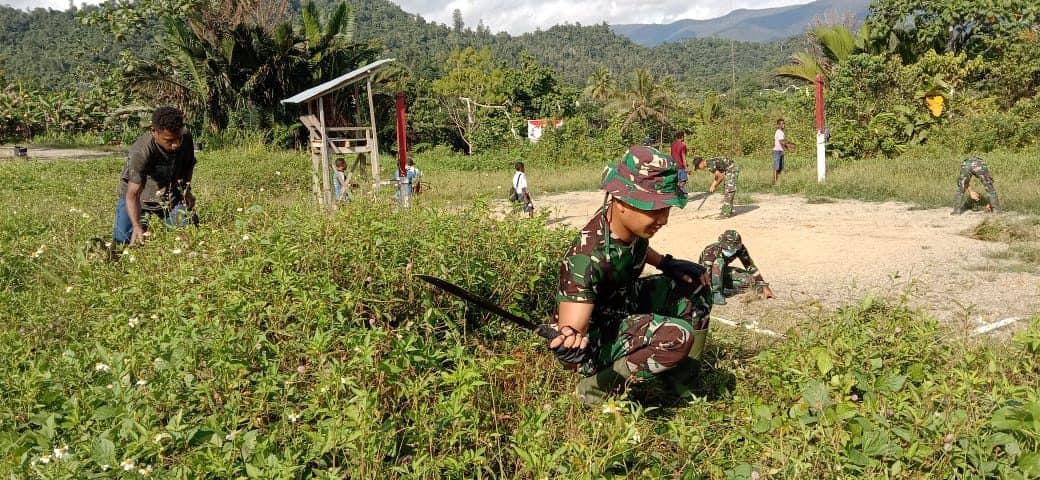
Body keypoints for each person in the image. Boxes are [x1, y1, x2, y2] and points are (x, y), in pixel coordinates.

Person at [551, 145, 713, 405]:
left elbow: (634, 249)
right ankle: (595, 389)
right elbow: (571, 335)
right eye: (655, 208)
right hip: (599, 338)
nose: (664, 219)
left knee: (695, 286)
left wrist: (666, 263)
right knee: (676, 336)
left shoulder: (628, 227)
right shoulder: (585, 259)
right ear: (622, 202)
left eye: (667, 208)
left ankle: (683, 383)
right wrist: (568, 347)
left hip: (621, 305)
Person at [112, 106, 197, 246]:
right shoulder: (141, 152)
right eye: (169, 140)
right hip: (139, 199)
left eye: (179, 138)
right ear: (153, 132)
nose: (176, 144)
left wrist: (186, 191)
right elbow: (132, 194)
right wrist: (137, 225)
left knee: (189, 236)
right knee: (123, 241)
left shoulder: (185, 137)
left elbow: (188, 165)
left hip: (169, 196)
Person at [699, 230, 775, 305]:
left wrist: (763, 286)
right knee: (719, 262)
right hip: (706, 275)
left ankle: (725, 288)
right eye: (729, 248)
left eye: (735, 249)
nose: (733, 251)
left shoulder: (740, 249)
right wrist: (707, 293)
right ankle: (716, 293)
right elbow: (705, 273)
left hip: (722, 271)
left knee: (748, 279)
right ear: (722, 245)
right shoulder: (711, 251)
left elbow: (750, 266)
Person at [772, 119, 794, 185]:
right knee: (776, 167)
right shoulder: (778, 132)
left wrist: (787, 148)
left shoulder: (782, 132)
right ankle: (775, 183)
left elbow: (783, 143)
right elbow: (781, 142)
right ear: (778, 125)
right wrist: (789, 146)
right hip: (777, 151)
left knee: (780, 168)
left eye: (784, 123)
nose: (783, 125)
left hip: (781, 151)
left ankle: (777, 182)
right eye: (781, 124)